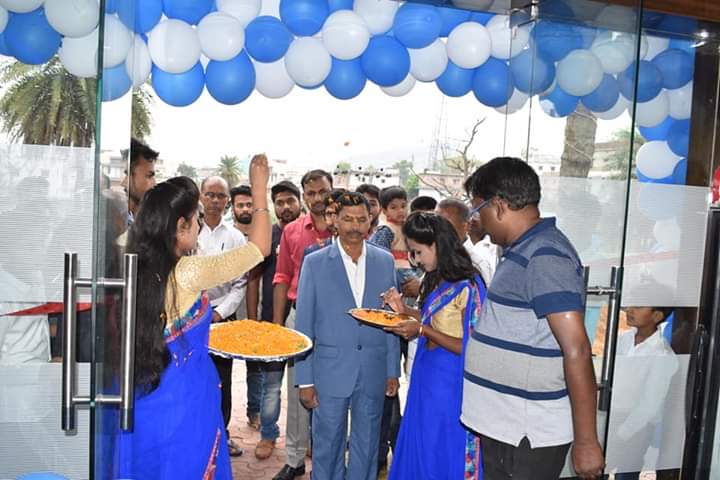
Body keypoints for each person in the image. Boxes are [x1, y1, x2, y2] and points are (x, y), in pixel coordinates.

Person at [118, 154, 271, 479]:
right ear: (180, 227)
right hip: (186, 400)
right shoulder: (188, 271)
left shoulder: (127, 257)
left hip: (140, 394)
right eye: (195, 218)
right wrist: (259, 191)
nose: (200, 225)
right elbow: (259, 248)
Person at [461, 157, 604, 480]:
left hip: (527, 433)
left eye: (477, 209)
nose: (478, 219)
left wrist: (586, 441)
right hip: (508, 426)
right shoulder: (522, 250)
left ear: (497, 206)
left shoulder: (546, 256)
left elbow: (578, 350)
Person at [294, 192, 400, 480]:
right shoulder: (315, 263)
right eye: (348, 219)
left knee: (367, 445)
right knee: (327, 443)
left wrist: (392, 370)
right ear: (335, 221)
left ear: (370, 222)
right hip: (328, 369)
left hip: (373, 369)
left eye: (362, 220)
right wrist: (305, 379)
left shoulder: (384, 261)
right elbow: (304, 324)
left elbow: (390, 318)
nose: (355, 226)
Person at [382, 212, 486, 480]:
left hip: (452, 383)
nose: (415, 260)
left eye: (418, 252)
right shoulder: (435, 278)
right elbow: (430, 320)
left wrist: (422, 330)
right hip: (426, 377)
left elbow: (471, 346)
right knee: (423, 445)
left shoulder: (469, 286)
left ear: (437, 245)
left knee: (443, 447)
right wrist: (402, 309)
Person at [272, 170, 333, 480]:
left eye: (322, 191)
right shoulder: (293, 231)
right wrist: (277, 326)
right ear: (304, 196)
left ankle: (326, 460)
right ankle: (295, 460)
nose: (317, 199)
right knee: (299, 389)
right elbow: (282, 277)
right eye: (311, 194)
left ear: (332, 191)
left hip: (338, 321)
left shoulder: (347, 229)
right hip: (299, 318)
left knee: (333, 391)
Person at [246, 180, 303, 460]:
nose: (285, 207)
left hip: (301, 322)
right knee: (271, 385)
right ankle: (268, 435)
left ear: (300, 201)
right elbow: (253, 279)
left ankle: (307, 439)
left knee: (303, 385)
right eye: (279, 202)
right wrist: (254, 322)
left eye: (290, 200)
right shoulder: (265, 236)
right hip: (270, 322)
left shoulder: (310, 235)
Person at [198, 175, 249, 456]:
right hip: (189, 318)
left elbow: (240, 283)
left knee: (222, 379)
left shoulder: (236, 237)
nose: (215, 201)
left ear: (227, 201)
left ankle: (222, 433)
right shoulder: (188, 230)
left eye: (220, 196)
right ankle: (198, 434)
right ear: (200, 196)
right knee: (194, 376)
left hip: (221, 318)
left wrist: (219, 313)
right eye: (210, 195)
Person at [437, 197, 500, 286]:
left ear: (466, 226)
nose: (439, 231)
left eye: (447, 226)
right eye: (436, 225)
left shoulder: (476, 264)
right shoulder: (434, 257)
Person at [120, 138, 158, 221]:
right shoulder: (116, 219)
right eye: (149, 176)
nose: (154, 183)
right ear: (128, 176)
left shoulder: (147, 218)